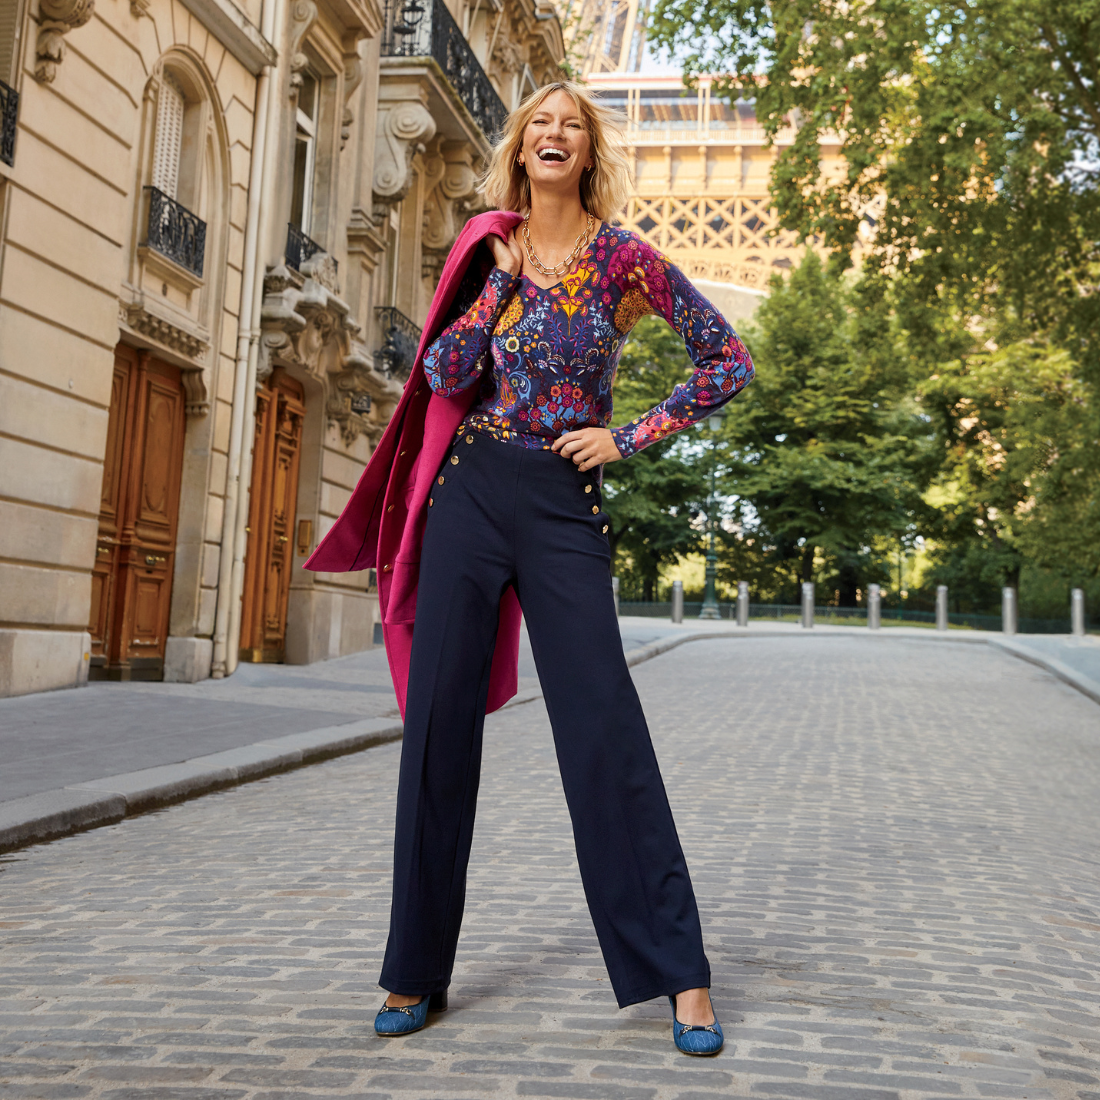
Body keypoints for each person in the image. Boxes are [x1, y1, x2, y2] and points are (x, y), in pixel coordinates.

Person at [370, 80, 754, 1055]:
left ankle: (679, 972)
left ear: (587, 150)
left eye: (569, 124)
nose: (552, 133)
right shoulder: (481, 245)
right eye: (538, 121)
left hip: (558, 499)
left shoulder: (621, 260)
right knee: (435, 730)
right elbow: (448, 375)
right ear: (520, 145)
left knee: (602, 726)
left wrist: (629, 434)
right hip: (470, 489)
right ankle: (413, 969)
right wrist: (494, 285)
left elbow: (725, 359)